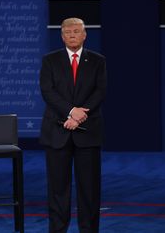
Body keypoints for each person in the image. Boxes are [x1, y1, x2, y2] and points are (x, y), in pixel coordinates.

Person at [39, 17, 107, 233]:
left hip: (88, 133)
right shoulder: (50, 60)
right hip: (57, 131)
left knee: (89, 189)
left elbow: (100, 91)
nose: (72, 35)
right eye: (67, 32)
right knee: (58, 189)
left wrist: (77, 117)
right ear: (61, 36)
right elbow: (48, 92)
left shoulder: (97, 61)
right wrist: (70, 111)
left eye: (76, 31)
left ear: (84, 34)